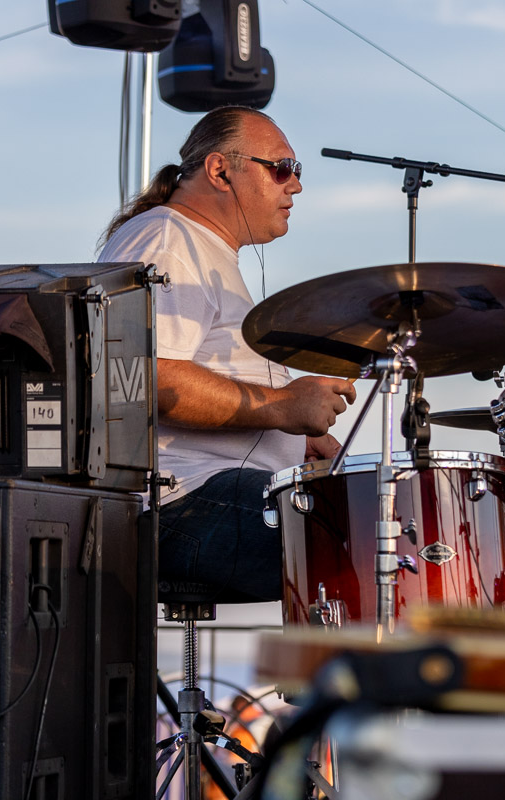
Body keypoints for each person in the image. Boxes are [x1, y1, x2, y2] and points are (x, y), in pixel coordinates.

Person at [98, 106, 356, 602]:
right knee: (377, 539)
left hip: (206, 493)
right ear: (220, 171)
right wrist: (281, 407)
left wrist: (294, 440)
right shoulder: (168, 239)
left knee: (379, 527)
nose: (296, 185)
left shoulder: (196, 245)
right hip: (179, 502)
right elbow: (145, 378)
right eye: (281, 168)